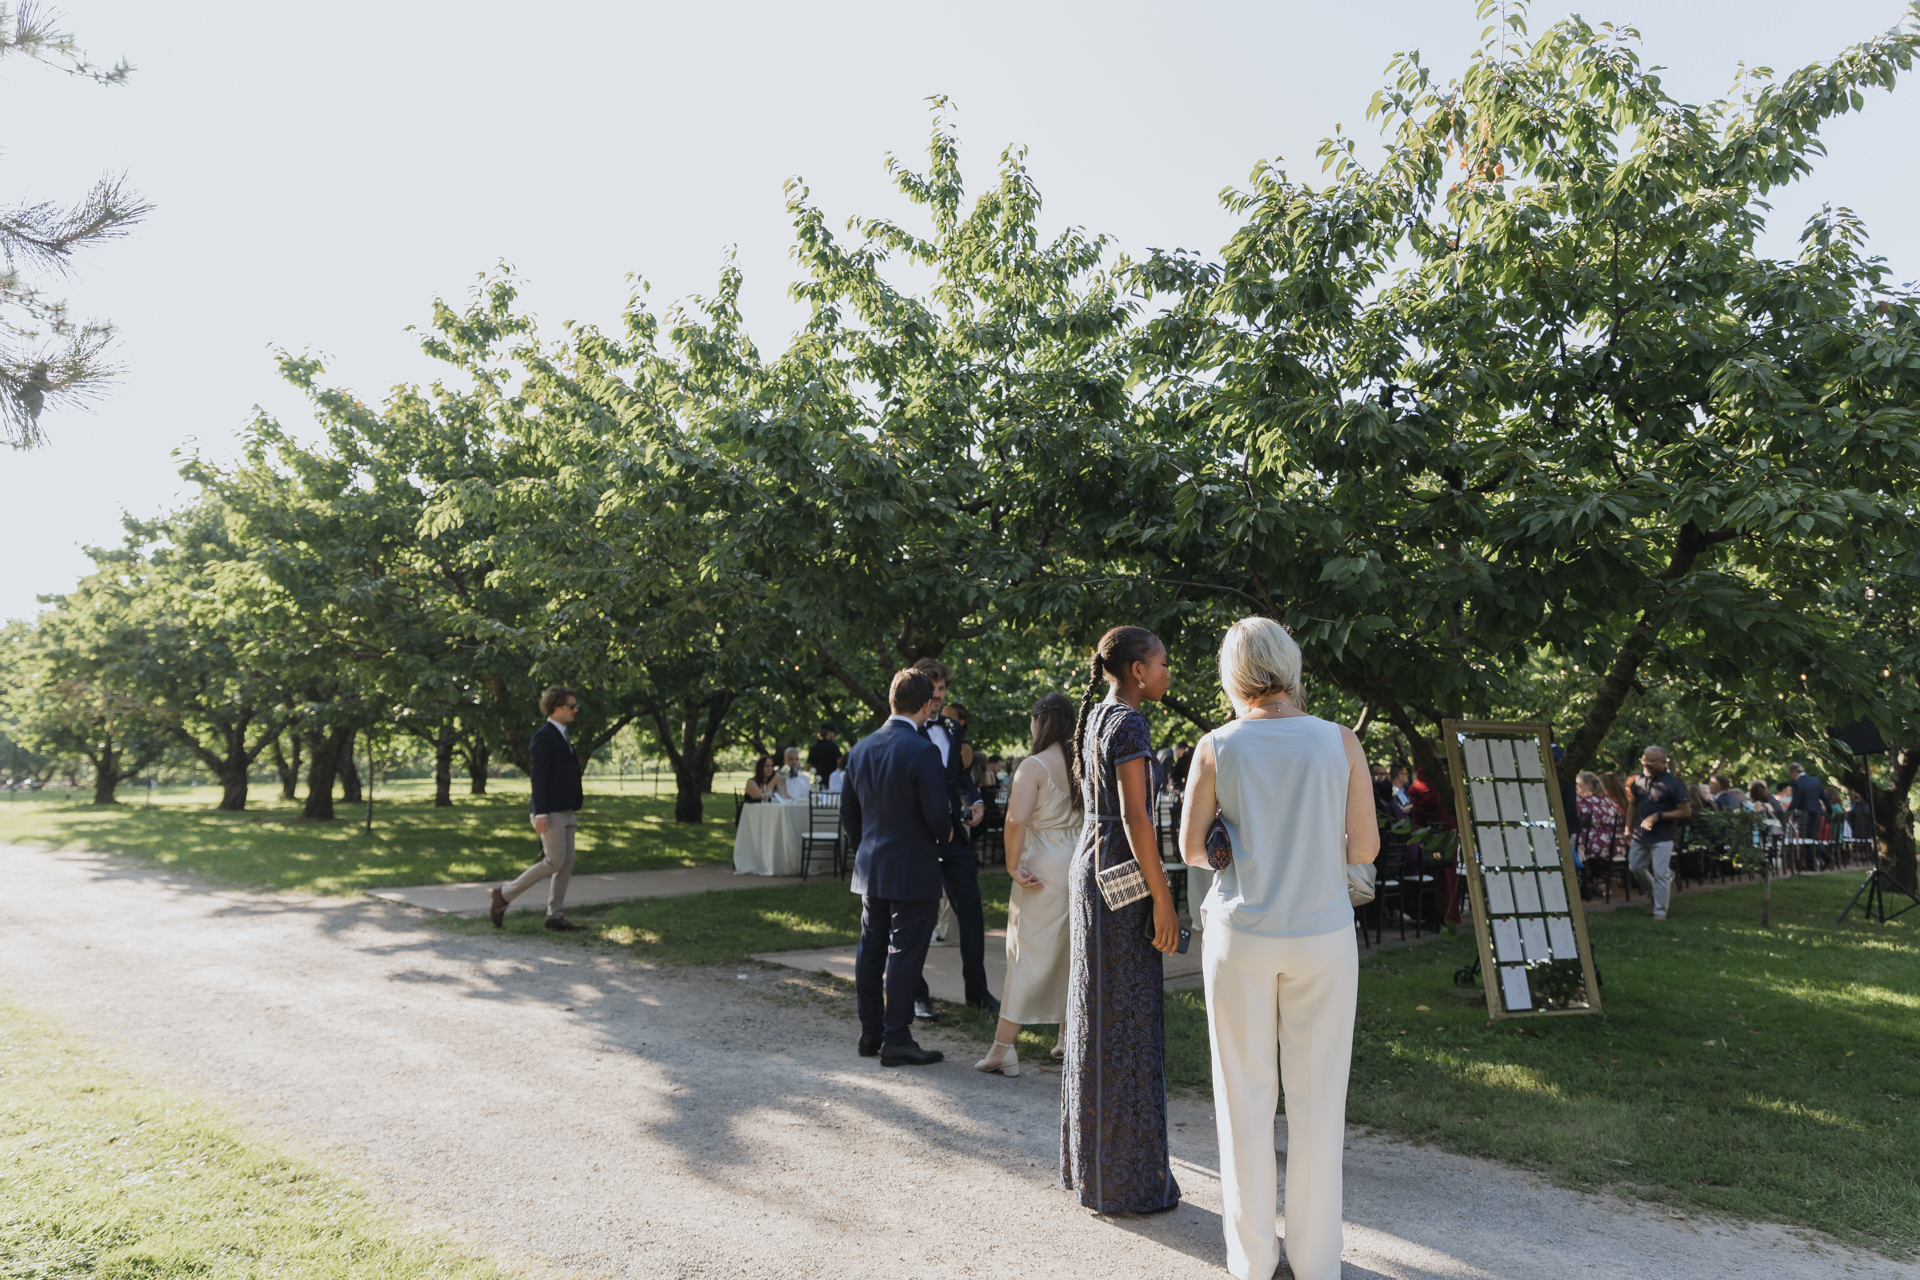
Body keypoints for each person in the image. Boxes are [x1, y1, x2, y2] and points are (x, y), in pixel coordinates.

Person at [1179, 617, 1376, 1280]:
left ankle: (1253, 1261)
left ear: (1233, 673)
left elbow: (1189, 847)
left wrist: (1237, 838)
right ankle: (1318, 1261)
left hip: (1241, 932)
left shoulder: (1217, 744)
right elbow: (1366, 850)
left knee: (1244, 1099)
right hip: (1322, 932)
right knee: (1319, 1101)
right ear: (1289, 666)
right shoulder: (1339, 740)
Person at [1061, 625, 1182, 1216]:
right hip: (1122, 875)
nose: (1167, 673)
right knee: (1126, 1022)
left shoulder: (1098, 715)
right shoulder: (1129, 723)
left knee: (1100, 1013)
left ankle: (1098, 1170)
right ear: (1138, 669)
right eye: (1162, 664)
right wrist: (1163, 899)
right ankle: (1125, 1178)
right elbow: (1137, 818)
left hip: (1092, 863)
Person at [842, 669, 952, 1067]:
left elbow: (849, 815)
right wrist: (948, 836)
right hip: (913, 864)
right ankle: (897, 1036)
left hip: (872, 865)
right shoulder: (923, 751)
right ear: (925, 705)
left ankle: (870, 1031)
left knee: (871, 947)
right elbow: (938, 815)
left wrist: (867, 848)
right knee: (904, 951)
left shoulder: (860, 749)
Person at [976, 693, 1079, 1077]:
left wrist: (1012, 865)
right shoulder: (1083, 763)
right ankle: (1068, 1035)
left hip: (1043, 865)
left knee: (1026, 955)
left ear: (1039, 721)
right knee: (1071, 951)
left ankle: (1004, 1048)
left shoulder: (1033, 766)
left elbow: (1015, 821)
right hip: (1077, 863)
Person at [910, 658, 995, 1016]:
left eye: (942, 689)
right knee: (919, 915)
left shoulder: (949, 727)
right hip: (917, 836)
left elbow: (957, 777)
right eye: (932, 689)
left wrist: (973, 799)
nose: (938, 696)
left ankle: (977, 992)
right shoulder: (904, 729)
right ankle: (917, 994)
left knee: (971, 912)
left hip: (953, 837)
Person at [489, 686, 587, 932]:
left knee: (567, 862)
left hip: (566, 810)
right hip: (550, 810)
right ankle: (504, 895)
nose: (576, 709)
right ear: (557, 708)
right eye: (571, 706)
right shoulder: (543, 736)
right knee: (554, 861)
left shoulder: (562, 734)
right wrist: (541, 812)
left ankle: (555, 915)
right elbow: (539, 776)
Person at [1627, 746, 1691, 920]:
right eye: (1644, 759)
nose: (1645, 763)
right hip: (1640, 835)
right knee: (1635, 867)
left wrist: (1659, 815)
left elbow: (1685, 811)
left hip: (1663, 836)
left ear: (1663, 763)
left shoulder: (1673, 784)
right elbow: (1633, 804)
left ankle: (1659, 912)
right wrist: (1628, 828)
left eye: (1650, 761)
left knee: (1660, 873)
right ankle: (1654, 896)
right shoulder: (1638, 780)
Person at [806, 725, 839, 789]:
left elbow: (808, 767)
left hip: (817, 785)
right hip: (831, 784)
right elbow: (841, 763)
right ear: (829, 733)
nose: (835, 736)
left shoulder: (814, 748)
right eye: (834, 734)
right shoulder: (833, 746)